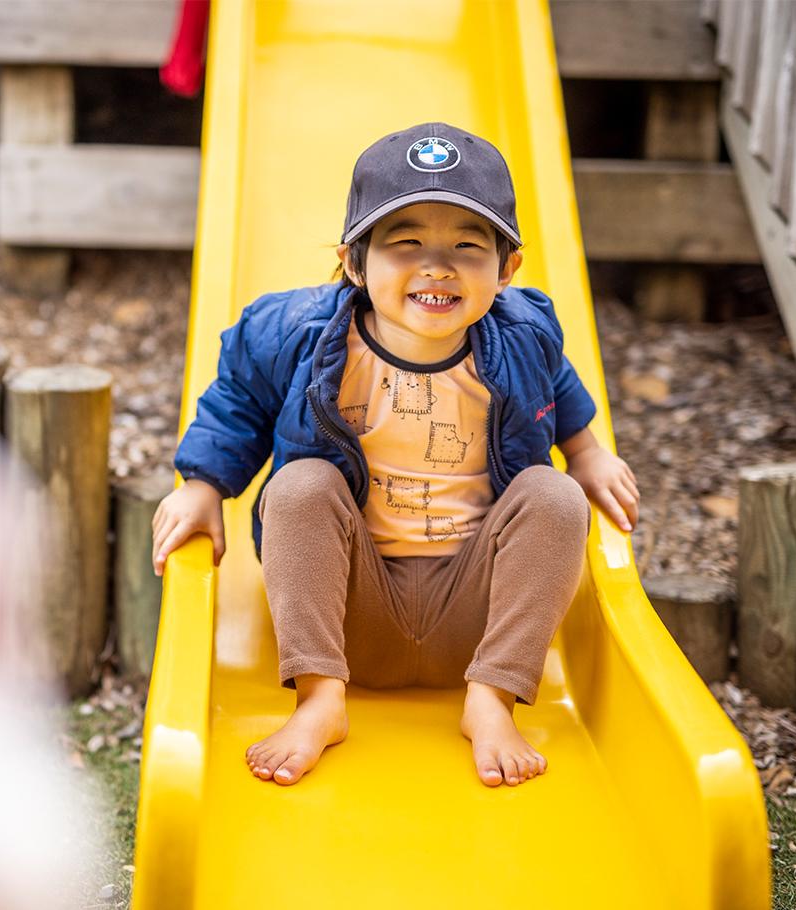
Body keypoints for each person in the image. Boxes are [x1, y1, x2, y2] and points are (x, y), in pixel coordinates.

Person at [151, 122, 640, 789]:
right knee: (299, 485)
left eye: (467, 247)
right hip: (353, 613)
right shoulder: (296, 335)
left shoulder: (524, 334)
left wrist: (584, 453)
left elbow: (556, 382)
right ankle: (320, 701)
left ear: (507, 270)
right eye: (406, 244)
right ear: (354, 263)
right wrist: (204, 484)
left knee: (554, 494)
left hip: (477, 616)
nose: (437, 267)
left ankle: (492, 701)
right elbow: (240, 400)